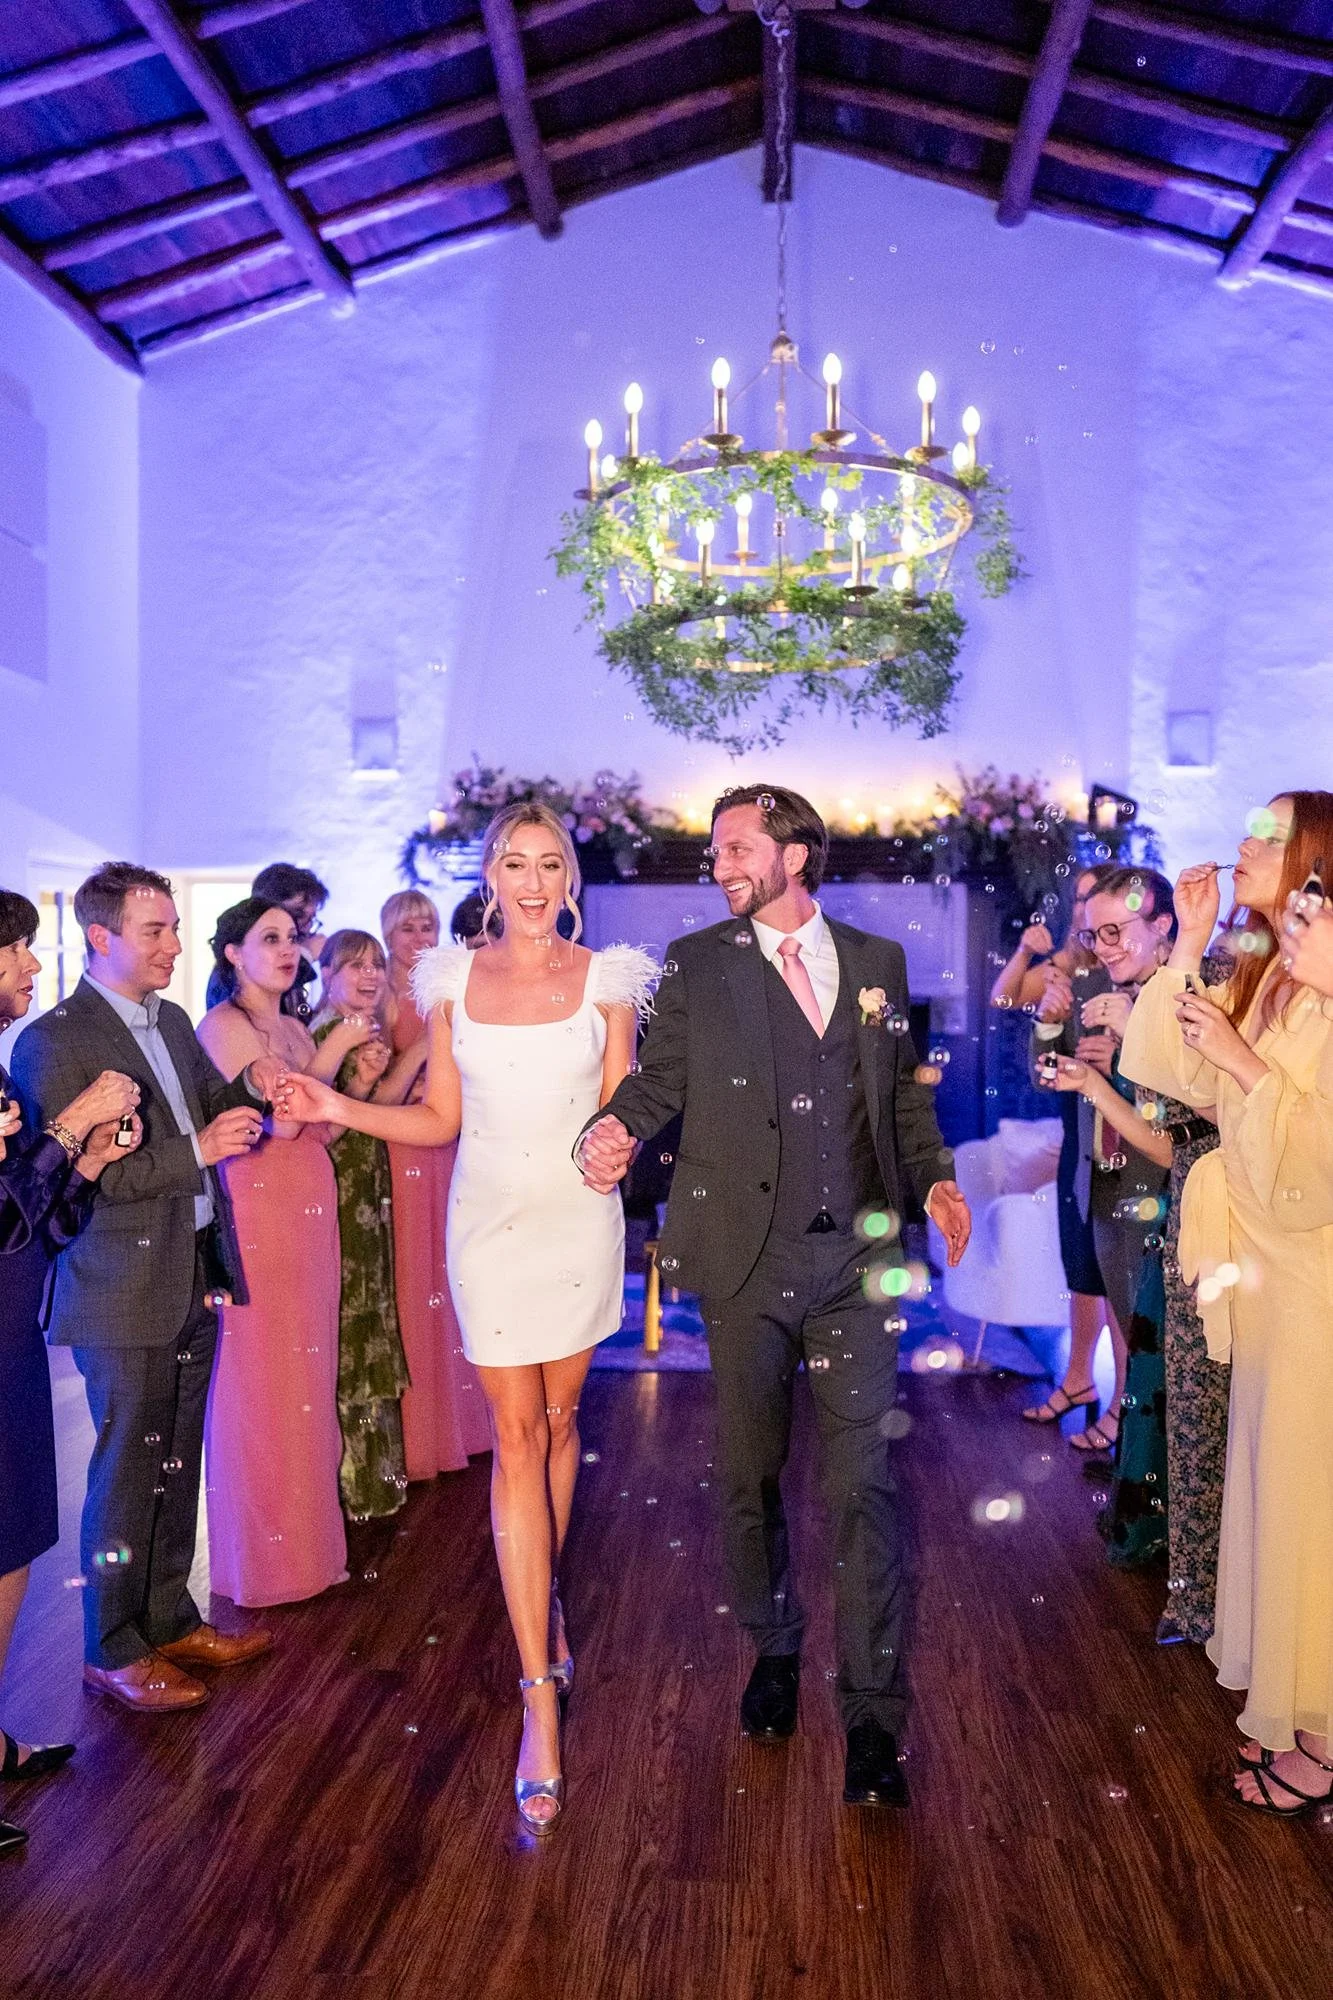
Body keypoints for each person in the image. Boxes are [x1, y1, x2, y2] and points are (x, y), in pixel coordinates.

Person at [578, 784, 971, 1812]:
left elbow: (897, 1101)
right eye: (715, 850)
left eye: (737, 846)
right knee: (747, 1475)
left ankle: (875, 1716)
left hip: (856, 1265)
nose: (719, 864)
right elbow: (656, 1079)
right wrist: (612, 1127)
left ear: (796, 854)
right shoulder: (698, 966)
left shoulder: (877, 965)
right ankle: (772, 1643)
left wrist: (933, 1177)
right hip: (744, 1264)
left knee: (863, 1486)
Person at [276, 804, 654, 1834]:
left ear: (569, 875)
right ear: (488, 873)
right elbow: (440, 1117)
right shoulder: (449, 980)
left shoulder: (608, 978)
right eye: (513, 862)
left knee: (564, 1425)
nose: (531, 880)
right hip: (487, 1226)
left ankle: (546, 1600)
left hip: (578, 1223)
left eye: (549, 863)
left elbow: (623, 1104)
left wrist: (620, 1143)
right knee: (515, 1435)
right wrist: (337, 1107)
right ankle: (538, 1692)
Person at [10, 863, 279, 1714]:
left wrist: (251, 1089)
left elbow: (206, 1111)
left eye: (171, 928)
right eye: (154, 930)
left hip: (193, 1264)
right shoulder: (53, 1040)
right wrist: (198, 1152)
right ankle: (111, 1648)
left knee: (175, 1454)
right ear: (102, 937)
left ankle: (167, 1616)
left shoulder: (168, 1019)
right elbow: (78, 1184)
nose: (172, 944)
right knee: (127, 1465)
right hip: (116, 1280)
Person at [1121, 791, 1333, 1815]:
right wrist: (1187, 948)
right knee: (1280, 1497)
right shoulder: (1282, 980)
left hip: (1317, 1286)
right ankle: (1304, 1715)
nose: (1242, 843)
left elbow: (1316, 1171)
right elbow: (1181, 1082)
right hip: (1269, 1285)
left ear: (1312, 867)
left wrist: (1246, 1057)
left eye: (1268, 833)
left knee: (1310, 1510)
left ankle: (1325, 1737)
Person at [0, 890, 143, 1855]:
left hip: (10, 1326)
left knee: (13, 1541)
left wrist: (84, 1161)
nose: (28, 964)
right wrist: (70, 1123)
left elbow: (32, 1228)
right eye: (12, 949)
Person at [196, 900, 347, 1608]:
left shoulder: (290, 1026)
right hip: (259, 1212)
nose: (288, 950)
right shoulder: (223, 1027)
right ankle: (263, 1565)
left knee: (309, 1375)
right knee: (262, 1382)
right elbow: (279, 1126)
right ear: (233, 953)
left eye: (292, 938)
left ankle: (313, 1550)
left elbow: (323, 1131)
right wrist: (343, 1047)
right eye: (269, 939)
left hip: (310, 1207)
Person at [1027, 868, 1176, 1454]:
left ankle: (1142, 1451)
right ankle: (1131, 1452)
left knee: (1158, 1339)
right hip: (1103, 1182)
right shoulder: (1092, 990)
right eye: (1095, 935)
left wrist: (1122, 1054)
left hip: (1160, 1184)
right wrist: (1049, 1025)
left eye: (1116, 932)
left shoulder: (1187, 994)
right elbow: (1048, 1078)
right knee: (1129, 1326)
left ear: (1162, 923)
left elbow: (1188, 1113)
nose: (1104, 948)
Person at [381, 891, 488, 1479]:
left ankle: (465, 1424)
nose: (419, 935)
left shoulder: (454, 984)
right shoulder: (382, 998)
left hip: (454, 1143)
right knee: (412, 1279)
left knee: (455, 1282)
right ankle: (420, 1437)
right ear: (388, 933)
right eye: (407, 927)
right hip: (402, 1145)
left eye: (427, 924)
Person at [310, 931, 416, 1522]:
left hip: (366, 1184)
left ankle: (377, 1479)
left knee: (371, 1310)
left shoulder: (364, 1031)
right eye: (354, 965)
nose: (370, 974)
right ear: (326, 974)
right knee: (351, 1322)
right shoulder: (326, 1033)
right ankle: (354, 1484)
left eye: (377, 964)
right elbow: (322, 1125)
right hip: (337, 1186)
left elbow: (380, 1108)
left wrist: (408, 1058)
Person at [1015, 866, 1115, 1436]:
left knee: (1121, 1287)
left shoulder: (1138, 985)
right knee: (1082, 1272)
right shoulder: (1071, 978)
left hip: (1127, 1153)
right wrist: (1051, 1028)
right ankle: (1079, 1378)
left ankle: (1128, 1412)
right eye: (1080, 901)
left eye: (1096, 902)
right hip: (1082, 1145)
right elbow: (1046, 1075)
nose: (1086, 913)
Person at [204, 864, 329, 1019]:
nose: (306, 928)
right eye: (298, 914)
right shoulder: (232, 969)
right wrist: (306, 955)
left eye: (311, 918)